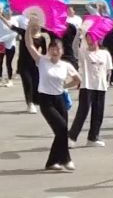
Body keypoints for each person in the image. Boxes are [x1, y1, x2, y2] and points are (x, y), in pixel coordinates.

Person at [25, 18, 80, 171]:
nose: (54, 51)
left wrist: (65, 86)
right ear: (49, 50)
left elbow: (78, 80)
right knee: (62, 128)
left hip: (60, 99)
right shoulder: (42, 61)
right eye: (52, 48)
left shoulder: (65, 65)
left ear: (62, 51)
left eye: (57, 49)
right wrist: (29, 27)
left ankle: (51, 162)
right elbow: (29, 45)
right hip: (46, 100)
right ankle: (66, 159)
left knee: (60, 132)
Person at [69, 26, 111, 148]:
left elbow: (109, 70)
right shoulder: (84, 53)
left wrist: (106, 83)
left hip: (101, 86)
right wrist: (79, 34)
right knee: (82, 112)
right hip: (87, 86)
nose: (89, 40)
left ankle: (93, 137)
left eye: (92, 37)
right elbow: (74, 47)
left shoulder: (105, 54)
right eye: (88, 38)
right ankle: (71, 137)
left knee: (98, 113)